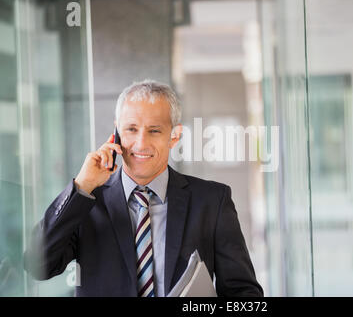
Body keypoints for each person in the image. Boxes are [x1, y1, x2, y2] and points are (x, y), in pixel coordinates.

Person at [24, 79, 263, 297]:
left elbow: (243, 294)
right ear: (117, 132)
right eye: (131, 129)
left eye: (154, 130)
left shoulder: (212, 201)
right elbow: (38, 265)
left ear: (174, 136)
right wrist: (81, 186)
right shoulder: (87, 201)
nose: (141, 143)